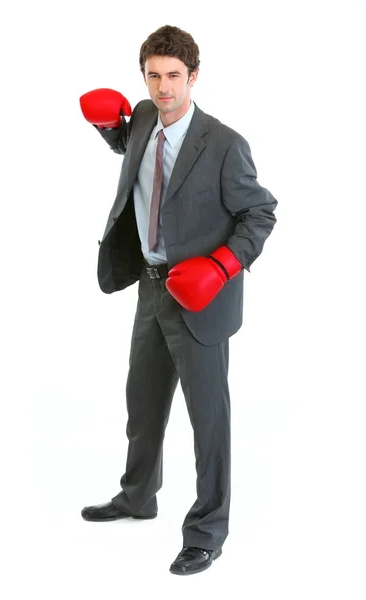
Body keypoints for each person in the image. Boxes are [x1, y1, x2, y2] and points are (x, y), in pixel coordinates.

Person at [79, 24, 278, 576]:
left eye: (173, 76)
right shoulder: (143, 117)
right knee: (141, 403)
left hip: (201, 298)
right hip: (150, 285)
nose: (163, 88)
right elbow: (131, 149)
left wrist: (220, 267)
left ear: (193, 77)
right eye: (153, 76)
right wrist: (106, 127)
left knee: (208, 418)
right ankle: (137, 496)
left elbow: (259, 213)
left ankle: (207, 531)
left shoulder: (225, 144)